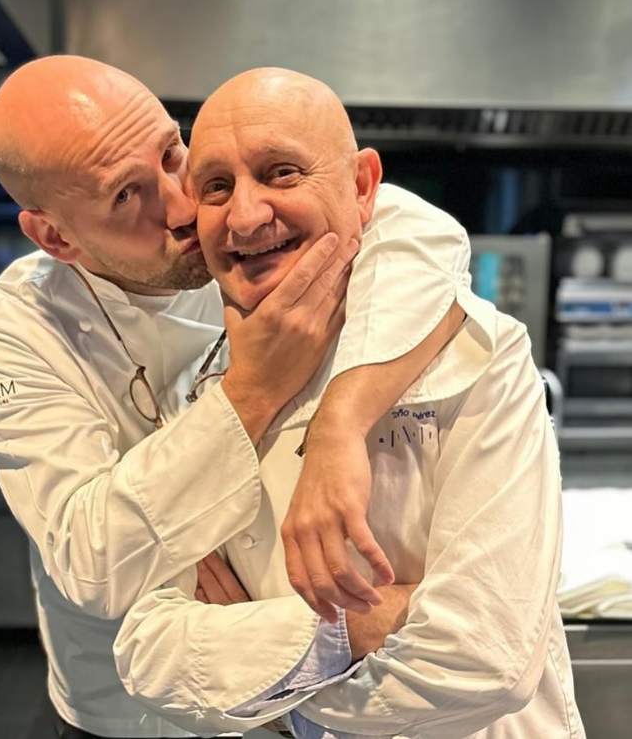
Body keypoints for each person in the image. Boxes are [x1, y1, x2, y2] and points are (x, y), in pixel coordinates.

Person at [0, 56, 467, 738]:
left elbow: (421, 237)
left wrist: (340, 424)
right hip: (123, 708)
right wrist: (253, 388)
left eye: (172, 153)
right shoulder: (14, 330)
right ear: (56, 236)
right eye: (125, 196)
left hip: (287, 673)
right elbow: (90, 559)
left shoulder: (245, 222)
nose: (180, 204)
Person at [113, 68, 586, 739]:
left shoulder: (479, 355)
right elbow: (147, 655)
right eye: (216, 186)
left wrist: (267, 695)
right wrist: (368, 620)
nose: (245, 215)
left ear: (362, 187)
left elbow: (485, 657)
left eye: (280, 172)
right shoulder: (191, 391)